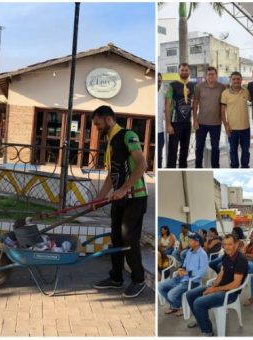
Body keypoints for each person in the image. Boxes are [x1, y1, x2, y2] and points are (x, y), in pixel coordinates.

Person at [90, 105, 148, 298]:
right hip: (120, 199)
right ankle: (116, 278)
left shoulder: (127, 135)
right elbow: (111, 175)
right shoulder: (110, 141)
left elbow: (142, 164)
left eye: (98, 124)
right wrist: (99, 198)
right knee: (116, 238)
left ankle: (138, 279)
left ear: (108, 119)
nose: (97, 128)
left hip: (135, 198)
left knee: (129, 240)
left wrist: (124, 189)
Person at [186, 233, 248, 336]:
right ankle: (200, 320)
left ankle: (207, 331)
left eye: (230, 244)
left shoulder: (240, 259)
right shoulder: (227, 255)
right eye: (225, 244)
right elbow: (222, 272)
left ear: (236, 244)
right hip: (220, 288)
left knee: (198, 302)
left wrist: (215, 289)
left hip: (230, 293)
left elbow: (236, 284)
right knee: (190, 295)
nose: (227, 247)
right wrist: (214, 286)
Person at [159, 233, 208, 316]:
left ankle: (181, 307)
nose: (188, 241)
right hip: (181, 278)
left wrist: (188, 273)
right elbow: (185, 264)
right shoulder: (189, 251)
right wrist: (181, 269)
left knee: (171, 294)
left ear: (197, 242)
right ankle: (176, 306)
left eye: (191, 240)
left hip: (192, 281)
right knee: (160, 287)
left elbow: (202, 272)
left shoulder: (202, 254)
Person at [193, 66, 226, 168]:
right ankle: (198, 168)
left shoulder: (222, 87)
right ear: (206, 76)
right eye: (209, 74)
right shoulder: (199, 87)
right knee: (199, 148)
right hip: (201, 123)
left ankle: (215, 167)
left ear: (216, 75)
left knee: (215, 148)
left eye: (213, 74)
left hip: (216, 123)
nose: (211, 76)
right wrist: (195, 120)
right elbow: (195, 104)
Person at [165, 63, 195, 168]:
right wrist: (168, 125)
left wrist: (195, 120)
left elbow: (195, 103)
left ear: (189, 71)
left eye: (186, 70)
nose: (184, 72)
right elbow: (167, 106)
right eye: (182, 70)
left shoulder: (192, 85)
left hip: (187, 123)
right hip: (175, 123)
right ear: (178, 71)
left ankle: (183, 169)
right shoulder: (172, 85)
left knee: (185, 150)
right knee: (172, 151)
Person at [221, 72, 251, 168]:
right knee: (233, 151)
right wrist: (226, 126)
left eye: (238, 79)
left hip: (246, 128)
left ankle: (245, 167)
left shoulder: (246, 91)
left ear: (241, 80)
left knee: (245, 151)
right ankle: (234, 167)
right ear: (231, 80)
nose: (236, 81)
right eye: (234, 79)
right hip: (232, 129)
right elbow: (222, 111)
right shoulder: (225, 93)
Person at [158, 74, 166, 168]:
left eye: (159, 81)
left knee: (159, 157)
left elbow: (166, 112)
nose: (158, 83)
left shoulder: (163, 94)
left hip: (160, 132)